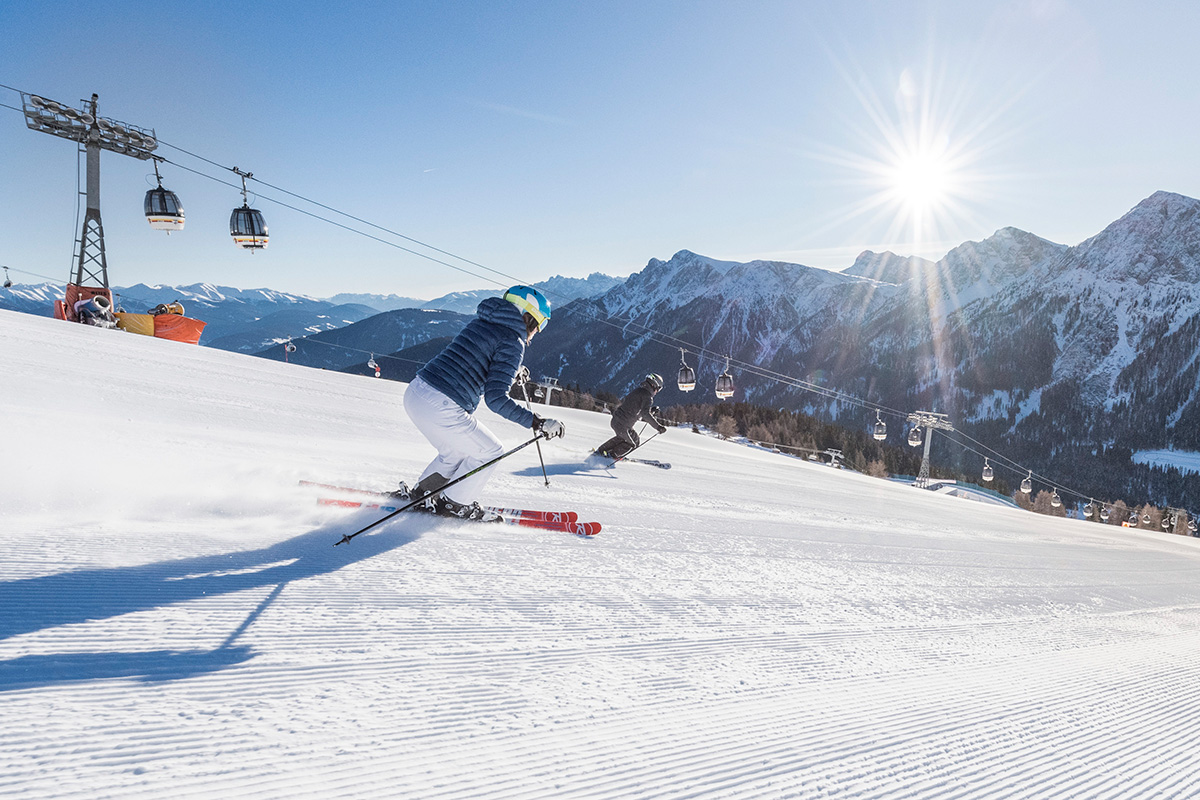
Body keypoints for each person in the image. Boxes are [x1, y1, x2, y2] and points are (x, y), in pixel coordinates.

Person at [401, 285, 565, 519]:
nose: (539, 330)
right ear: (529, 316)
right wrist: (536, 422)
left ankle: (424, 494)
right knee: (491, 451)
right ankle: (455, 504)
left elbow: (478, 353)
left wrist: (510, 369)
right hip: (442, 404)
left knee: (455, 452)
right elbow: (496, 399)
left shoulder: (481, 323)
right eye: (542, 322)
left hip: (417, 391)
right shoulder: (513, 341)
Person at [595, 373, 668, 460]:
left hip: (617, 421)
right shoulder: (648, 397)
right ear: (654, 385)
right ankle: (611, 456)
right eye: (658, 389)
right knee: (631, 444)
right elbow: (645, 414)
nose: (657, 392)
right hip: (623, 425)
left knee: (633, 439)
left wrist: (650, 410)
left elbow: (634, 408)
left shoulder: (638, 391)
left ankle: (601, 451)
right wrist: (658, 427)